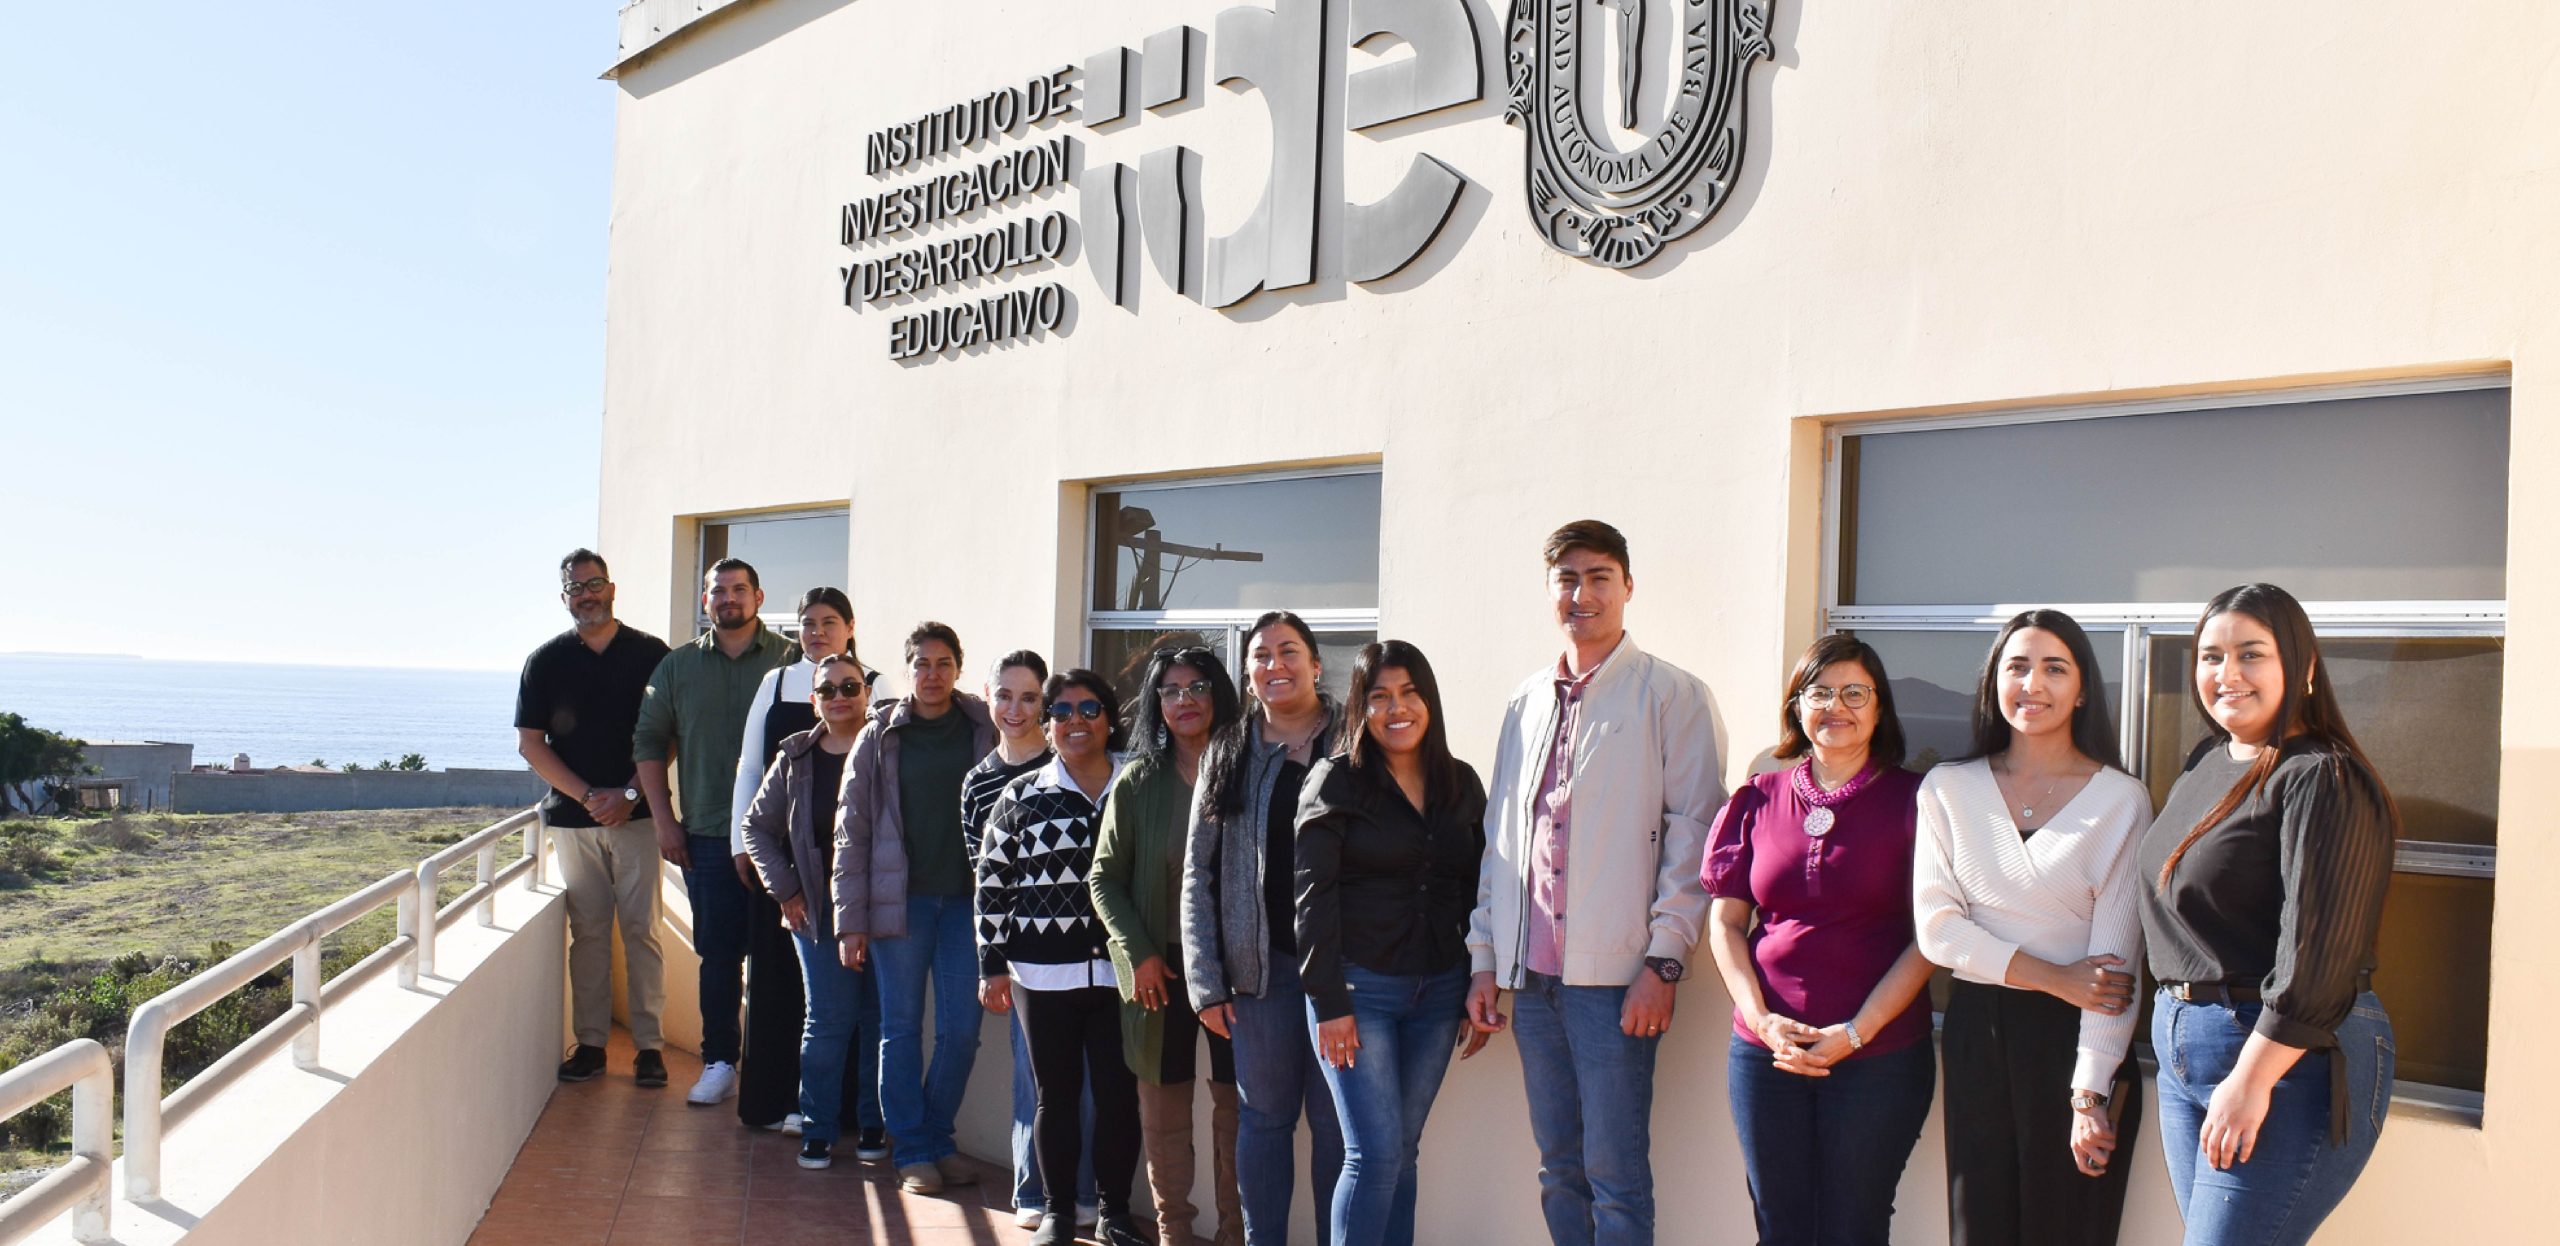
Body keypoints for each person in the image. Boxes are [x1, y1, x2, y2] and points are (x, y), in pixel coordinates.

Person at [1464, 520, 1725, 1246]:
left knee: (1616, 1178)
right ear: (1551, 592)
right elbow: (1501, 843)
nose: (1582, 593)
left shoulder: (1672, 695)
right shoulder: (1526, 701)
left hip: (1616, 983)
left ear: (1628, 587)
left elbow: (1693, 839)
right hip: (1534, 983)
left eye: (1599, 577)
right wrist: (1485, 957)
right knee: (1559, 1169)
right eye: (1567, 579)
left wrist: (1663, 960)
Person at [2137, 583, 2396, 1246]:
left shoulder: (2321, 776)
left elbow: (2320, 952)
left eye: (2251, 654)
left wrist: (2250, 1080)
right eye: (2211, 656)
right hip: (2184, 1045)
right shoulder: (2206, 763)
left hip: (2281, 1054)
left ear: (2303, 665)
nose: (2227, 675)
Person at [1913, 611, 2154, 1245]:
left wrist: (2089, 1094)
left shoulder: (2121, 799)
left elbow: (2112, 972)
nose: (2033, 684)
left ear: (2082, 688)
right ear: (1994, 681)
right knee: (1979, 1227)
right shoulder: (1948, 788)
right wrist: (2053, 977)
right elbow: (1938, 930)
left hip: (2078, 1044)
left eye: (2054, 668)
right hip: (1977, 1030)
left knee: (2068, 1229)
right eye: (2016, 667)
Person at [1703, 634, 1935, 1246]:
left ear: (1880, 708)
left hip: (1878, 1057)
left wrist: (1855, 1032)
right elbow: (1726, 923)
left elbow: (1932, 937)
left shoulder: (1918, 802)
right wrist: (1761, 1018)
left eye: (1855, 692)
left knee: (1852, 1228)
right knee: (1778, 1225)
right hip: (1766, 1053)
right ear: (1797, 707)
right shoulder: (1759, 795)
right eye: (1820, 692)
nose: (1837, 706)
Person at [1297, 641, 1490, 1246]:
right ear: (1360, 708)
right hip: (1358, 991)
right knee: (1372, 1156)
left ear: (1429, 700)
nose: (1396, 708)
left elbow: (1478, 887)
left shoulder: (1461, 783)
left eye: (1409, 693)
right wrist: (1329, 1002)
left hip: (1439, 992)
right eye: (1378, 697)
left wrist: (1479, 978)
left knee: (1403, 1153)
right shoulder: (1335, 781)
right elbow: (1310, 899)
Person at [1181, 611, 1348, 1246]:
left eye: (1288, 651)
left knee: (1339, 1129)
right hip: (1261, 973)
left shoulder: (1354, 741)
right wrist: (1206, 980)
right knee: (1265, 1120)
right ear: (1247, 672)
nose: (1274, 665)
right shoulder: (1229, 750)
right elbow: (1198, 871)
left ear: (1313, 663)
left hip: (1343, 972)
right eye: (1260, 655)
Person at [976, 670, 1148, 1246]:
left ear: (1109, 717)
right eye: (1063, 711)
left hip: (1124, 973)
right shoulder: (1022, 795)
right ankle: (1055, 1211)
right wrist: (991, 963)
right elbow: (992, 882)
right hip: (1042, 973)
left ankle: (1114, 1213)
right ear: (1048, 725)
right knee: (1057, 1093)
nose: (1076, 720)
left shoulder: (1138, 783)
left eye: (1089, 708)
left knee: (1119, 1094)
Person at [832, 620, 995, 1193]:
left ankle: (938, 1135)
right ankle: (913, 1149)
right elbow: (850, 833)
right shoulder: (878, 735)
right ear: (906, 671)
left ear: (958, 667)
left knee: (962, 1028)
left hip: (966, 904)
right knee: (899, 1028)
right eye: (921, 664)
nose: (932, 674)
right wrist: (849, 920)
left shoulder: (984, 725)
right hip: (899, 905)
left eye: (943, 663)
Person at [1092, 647, 1245, 1246]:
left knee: (1237, 1111)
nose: (1185, 700)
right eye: (1172, 690)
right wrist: (1138, 954)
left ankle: (1236, 1233)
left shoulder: (1248, 769)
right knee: (1163, 1112)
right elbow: (1104, 877)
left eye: (1198, 687)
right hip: (1159, 970)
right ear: (1156, 703)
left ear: (1219, 696)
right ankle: (1175, 1233)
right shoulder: (1137, 780)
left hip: (1238, 971)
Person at [727, 588, 885, 1152]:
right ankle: (790, 1108)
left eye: (829, 622)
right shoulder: (775, 686)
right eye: (807, 623)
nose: (817, 631)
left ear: (850, 627)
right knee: (797, 1002)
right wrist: (745, 853)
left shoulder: (880, 693)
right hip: (796, 884)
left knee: (871, 1014)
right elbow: (750, 768)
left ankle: (860, 1118)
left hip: (871, 893)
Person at [633, 557, 793, 1105]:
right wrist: (663, 820)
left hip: (783, 840)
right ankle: (720, 1061)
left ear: (759, 596)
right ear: (706, 602)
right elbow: (649, 745)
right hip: (704, 834)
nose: (729, 598)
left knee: (782, 960)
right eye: (718, 590)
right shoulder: (676, 668)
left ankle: (782, 1074)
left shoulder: (791, 662)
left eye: (740, 589)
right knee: (719, 957)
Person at [515, 549, 672, 1087]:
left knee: (642, 931)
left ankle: (650, 1048)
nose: (586, 593)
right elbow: (532, 745)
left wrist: (627, 792)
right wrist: (590, 797)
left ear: (612, 588)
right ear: (565, 599)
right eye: (575, 587)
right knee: (588, 934)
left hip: (640, 814)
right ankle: (591, 1045)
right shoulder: (545, 661)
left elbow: (670, 735)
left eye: (594, 583)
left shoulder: (652, 654)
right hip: (576, 820)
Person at [965, 650, 1099, 1230]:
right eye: (1005, 696)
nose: (1015, 709)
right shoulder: (979, 783)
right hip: (1029, 963)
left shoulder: (1072, 762)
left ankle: (1085, 1192)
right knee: (1036, 1081)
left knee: (1091, 1086)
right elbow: (988, 878)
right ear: (989, 698)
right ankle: (1035, 1190)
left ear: (1045, 707)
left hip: (1093, 960)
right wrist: (993, 959)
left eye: (1029, 698)